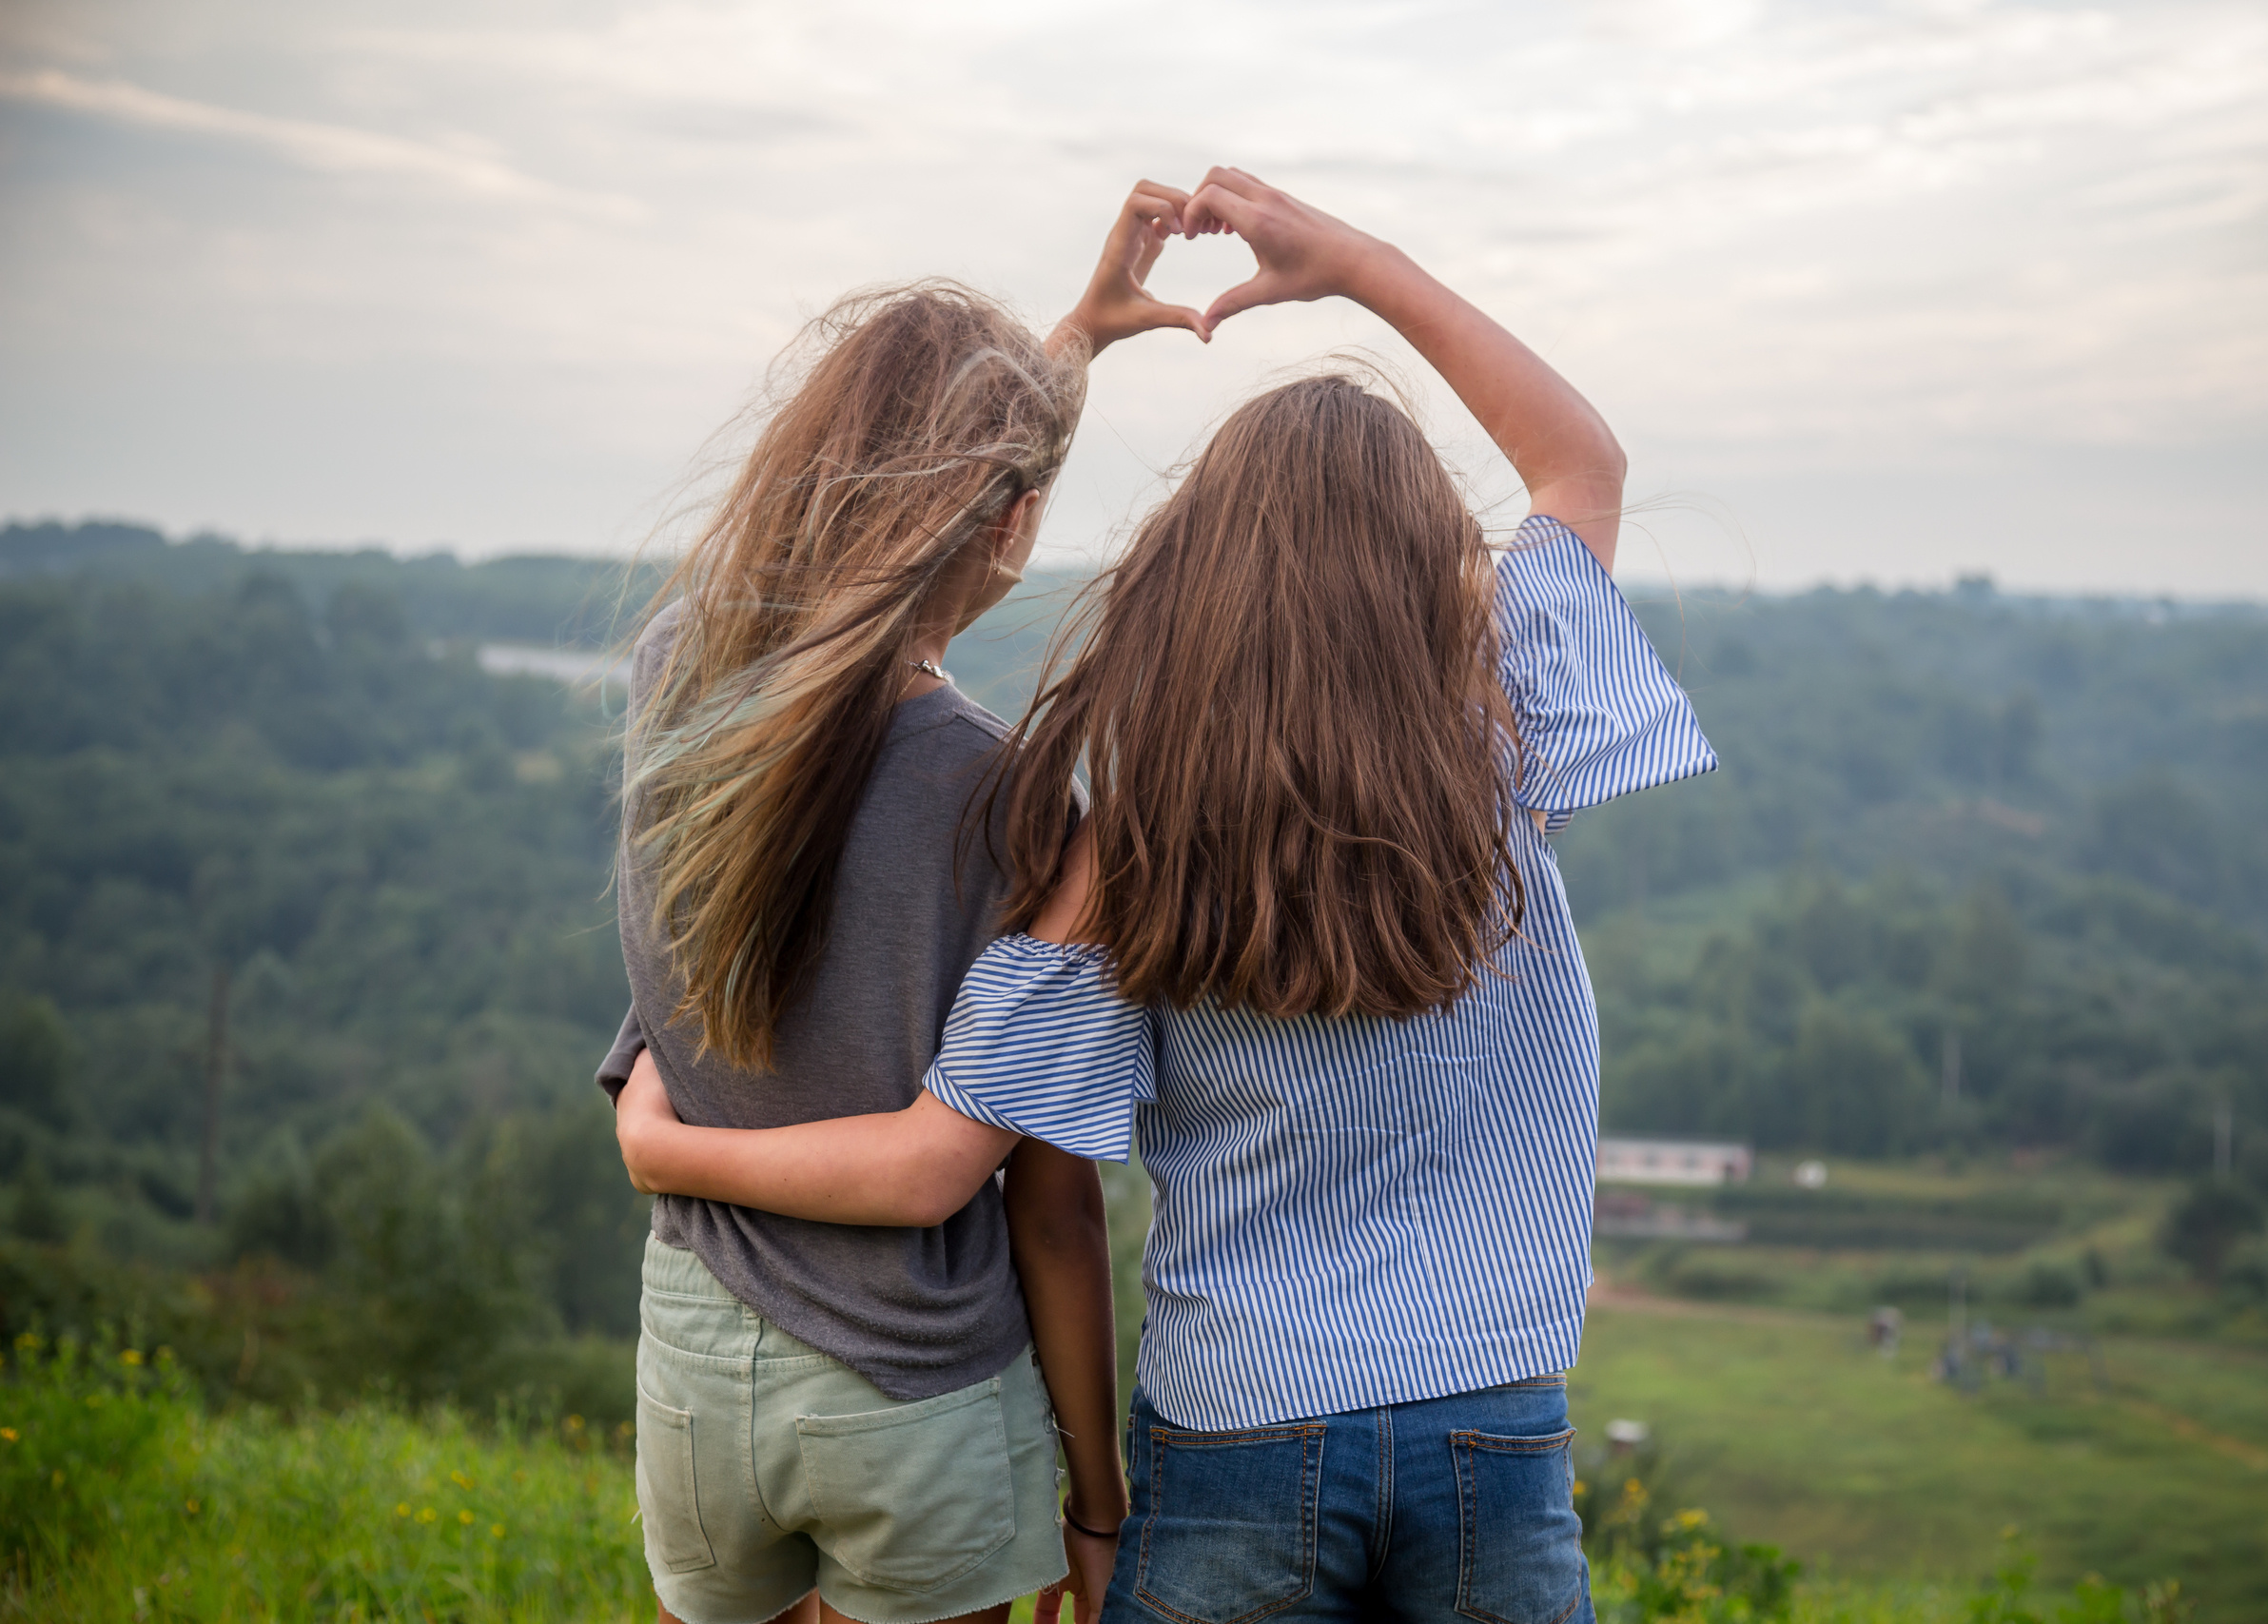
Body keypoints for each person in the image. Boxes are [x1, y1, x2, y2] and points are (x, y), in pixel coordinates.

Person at [615, 167, 1718, 1621]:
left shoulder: (1122, 848)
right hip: (1493, 1421)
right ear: (1442, 569)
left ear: (1196, 585)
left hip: (1234, 1436)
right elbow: (1582, 464)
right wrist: (1357, 264)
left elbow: (957, 1161)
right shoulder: (1509, 739)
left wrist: (666, 1144)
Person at [598, 182, 1211, 1624]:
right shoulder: (1013, 804)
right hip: (914, 1385)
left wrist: (1071, 342)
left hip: (697, 1353)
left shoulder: (678, 667)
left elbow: (901, 553)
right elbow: (1048, 1206)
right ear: (1016, 521)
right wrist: (1097, 1499)